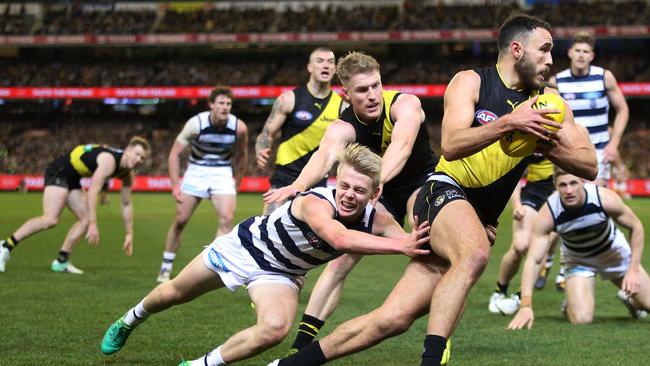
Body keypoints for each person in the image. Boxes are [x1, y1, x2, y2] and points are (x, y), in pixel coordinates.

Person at [270, 13, 597, 366]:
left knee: (391, 319)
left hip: (475, 216)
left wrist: (545, 144)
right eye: (544, 50)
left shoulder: (548, 104)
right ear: (517, 49)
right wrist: (510, 123)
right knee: (474, 255)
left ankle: (288, 364)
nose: (551, 60)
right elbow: (453, 144)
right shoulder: (470, 82)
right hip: (442, 190)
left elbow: (589, 165)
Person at [100, 144, 431, 366]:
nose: (349, 195)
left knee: (275, 329)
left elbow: (415, 243)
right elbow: (338, 237)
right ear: (335, 181)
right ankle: (130, 319)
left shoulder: (380, 220)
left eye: (360, 190)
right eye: (344, 185)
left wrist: (463, 235)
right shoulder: (315, 202)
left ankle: (201, 364)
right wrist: (401, 245)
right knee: (173, 293)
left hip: (280, 274)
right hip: (242, 249)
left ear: (375, 193)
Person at [264, 51, 438, 352]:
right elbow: (324, 156)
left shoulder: (405, 104)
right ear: (346, 93)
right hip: (377, 190)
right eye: (362, 89)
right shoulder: (343, 126)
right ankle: (301, 345)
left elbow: (404, 144)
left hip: (418, 179)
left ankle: (437, 336)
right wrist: (298, 185)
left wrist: (379, 179)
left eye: (376, 86)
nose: (372, 95)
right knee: (342, 258)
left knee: (420, 225)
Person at [507, 168, 649, 330]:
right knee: (582, 319)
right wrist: (526, 305)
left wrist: (633, 270)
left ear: (583, 182)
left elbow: (636, 227)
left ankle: (632, 302)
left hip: (614, 254)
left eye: (573, 183)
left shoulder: (603, 198)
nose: (568, 190)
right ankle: (571, 302)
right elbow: (533, 260)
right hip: (578, 260)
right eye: (563, 185)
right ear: (555, 186)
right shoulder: (549, 212)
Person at [0, 136, 151, 274]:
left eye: (142, 158)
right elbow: (92, 192)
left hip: (73, 176)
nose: (139, 159)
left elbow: (126, 203)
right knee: (50, 219)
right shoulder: (109, 161)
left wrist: (129, 233)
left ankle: (61, 261)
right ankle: (5, 246)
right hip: (59, 171)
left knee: (83, 220)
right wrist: (94, 224)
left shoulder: (127, 174)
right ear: (127, 150)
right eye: (137, 154)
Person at [156, 86, 248, 283]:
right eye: (221, 103)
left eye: (228, 103)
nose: (225, 107)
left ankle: (213, 268)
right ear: (211, 105)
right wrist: (174, 185)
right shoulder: (195, 124)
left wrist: (237, 181)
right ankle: (166, 266)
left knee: (227, 218)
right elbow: (174, 154)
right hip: (196, 171)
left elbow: (242, 155)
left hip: (222, 172)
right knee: (181, 220)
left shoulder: (239, 128)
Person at [255, 47, 342, 214]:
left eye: (330, 62)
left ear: (335, 69)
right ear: (309, 67)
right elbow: (266, 134)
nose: (326, 65)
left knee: (311, 236)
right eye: (320, 61)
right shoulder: (288, 99)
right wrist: (261, 149)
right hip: (285, 176)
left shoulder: (341, 106)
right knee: (267, 229)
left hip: (316, 180)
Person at [548, 31, 629, 187]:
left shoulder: (604, 77)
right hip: (569, 149)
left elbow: (623, 110)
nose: (581, 55)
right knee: (569, 201)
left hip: (599, 150)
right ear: (570, 53)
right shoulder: (556, 81)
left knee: (593, 198)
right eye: (578, 51)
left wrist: (614, 144)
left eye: (586, 52)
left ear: (591, 56)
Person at [488, 158, 560, 314]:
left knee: (543, 249)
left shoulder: (564, 137)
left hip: (558, 196)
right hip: (534, 193)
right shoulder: (528, 137)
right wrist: (517, 205)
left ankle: (521, 296)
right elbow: (514, 174)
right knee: (519, 246)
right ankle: (500, 290)